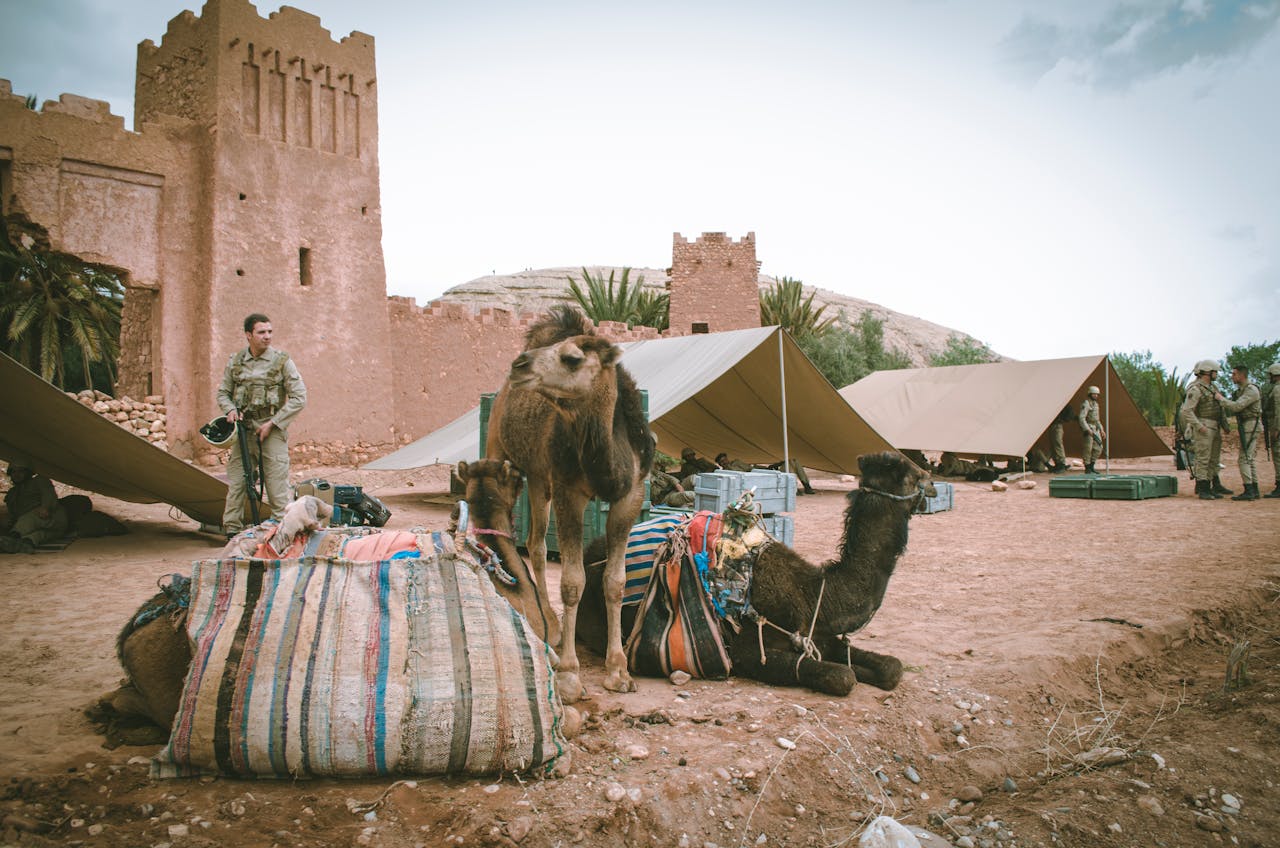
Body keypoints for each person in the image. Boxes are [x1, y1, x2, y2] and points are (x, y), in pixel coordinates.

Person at [217, 313, 307, 536]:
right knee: (237, 482)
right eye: (261, 332)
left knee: (277, 486)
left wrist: (273, 423)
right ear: (249, 335)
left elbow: (299, 397)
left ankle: (282, 533)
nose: (267, 336)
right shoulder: (236, 361)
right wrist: (229, 409)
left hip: (272, 429)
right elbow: (223, 393)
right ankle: (232, 531)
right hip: (244, 430)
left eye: (270, 332)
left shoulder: (282, 361)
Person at [1181, 360, 1229, 500]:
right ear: (1208, 372)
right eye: (1215, 372)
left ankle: (1210, 486)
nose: (1216, 374)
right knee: (1203, 458)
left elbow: (1220, 408)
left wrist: (1225, 425)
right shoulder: (1196, 389)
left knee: (1213, 459)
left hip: (1214, 425)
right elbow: (1187, 411)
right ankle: (1203, 488)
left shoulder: (1212, 388)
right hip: (1204, 425)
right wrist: (1198, 426)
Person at [1, 455, 68, 553]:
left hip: (53, 519)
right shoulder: (12, 493)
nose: (17, 474)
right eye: (14, 472)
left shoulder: (39, 481)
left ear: (28, 472)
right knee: (36, 536)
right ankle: (25, 544)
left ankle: (12, 537)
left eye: (21, 471)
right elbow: (14, 514)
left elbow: (49, 495)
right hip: (45, 529)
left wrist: (45, 507)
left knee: (29, 518)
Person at [1216, 364, 1262, 501]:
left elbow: (1237, 406)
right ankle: (1254, 489)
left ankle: (1249, 489)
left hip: (1250, 425)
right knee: (1249, 458)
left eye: (1234, 374)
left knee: (1244, 459)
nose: (1232, 377)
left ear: (1242, 375)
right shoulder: (1243, 390)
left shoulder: (1251, 390)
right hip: (1247, 424)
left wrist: (1220, 399)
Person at [1077, 387, 1106, 475]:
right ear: (1090, 394)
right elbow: (1081, 418)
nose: (1096, 395)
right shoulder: (1086, 404)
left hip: (1095, 427)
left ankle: (1092, 466)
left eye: (1097, 394)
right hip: (1088, 427)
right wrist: (1087, 429)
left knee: (1098, 448)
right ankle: (1088, 468)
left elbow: (1097, 419)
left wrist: (1102, 430)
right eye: (1094, 394)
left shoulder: (1096, 404)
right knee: (1088, 449)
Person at [1263, 362, 1280, 498]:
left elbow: (1278, 411)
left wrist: (1276, 428)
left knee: (1278, 456)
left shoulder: (1277, 389)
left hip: (1277, 425)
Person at [1049, 404, 1073, 473]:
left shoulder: (1063, 403)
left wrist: (1061, 419)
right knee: (1054, 445)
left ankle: (1061, 464)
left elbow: (1070, 413)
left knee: (1058, 444)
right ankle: (1058, 464)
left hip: (1057, 425)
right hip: (1054, 425)